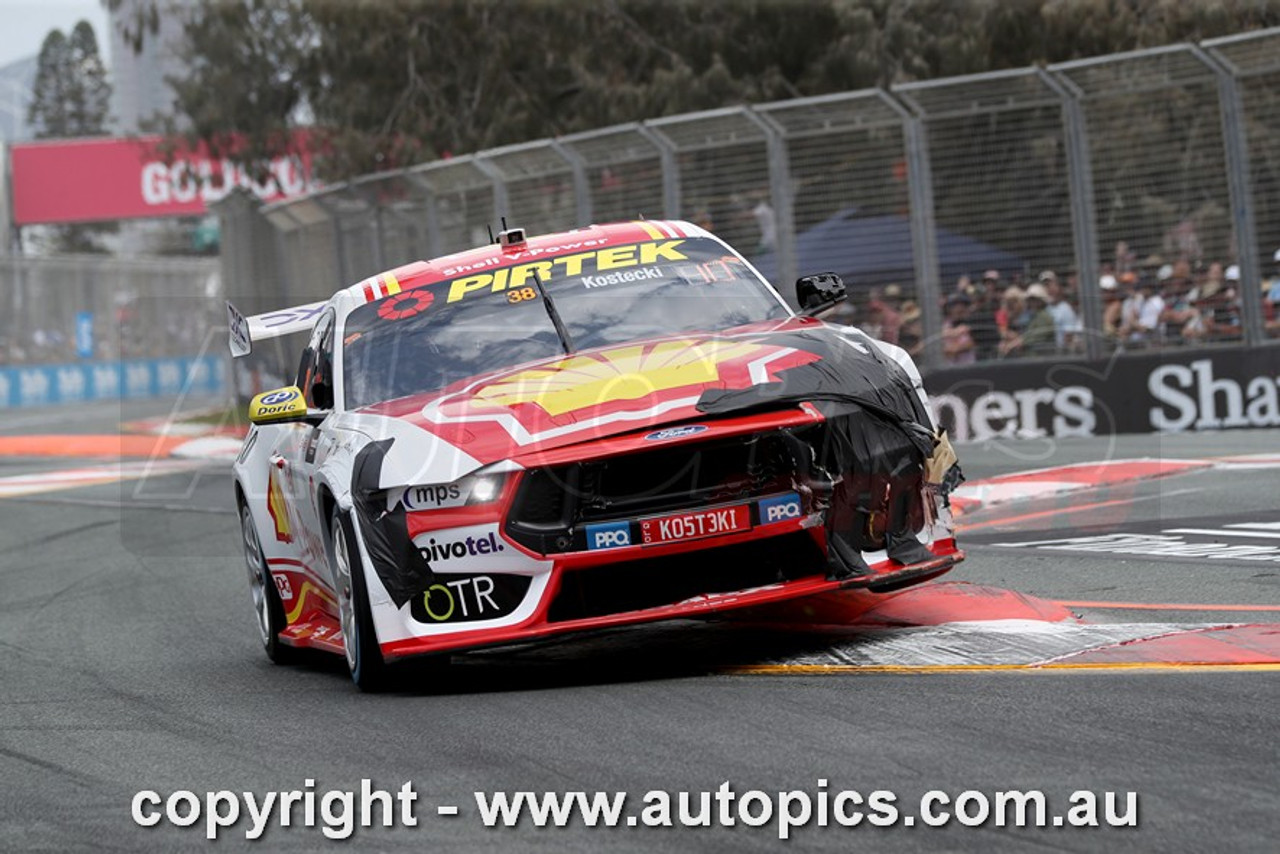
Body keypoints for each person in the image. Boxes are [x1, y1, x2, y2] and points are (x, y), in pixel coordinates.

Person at [999, 284, 1055, 357]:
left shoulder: (1044, 317)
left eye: (1034, 300)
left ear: (1040, 301)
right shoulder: (1034, 316)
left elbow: (1033, 337)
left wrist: (1012, 344)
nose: (1031, 302)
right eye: (1030, 300)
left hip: (1042, 358)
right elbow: (1027, 335)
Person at [941, 294, 976, 364]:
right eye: (955, 305)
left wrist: (956, 348)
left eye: (963, 305)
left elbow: (970, 344)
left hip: (969, 367)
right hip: (949, 368)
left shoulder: (972, 322)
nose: (959, 308)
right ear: (949, 309)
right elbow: (943, 349)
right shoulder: (944, 325)